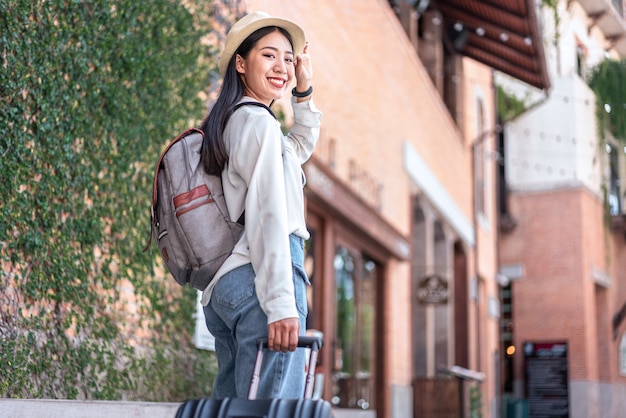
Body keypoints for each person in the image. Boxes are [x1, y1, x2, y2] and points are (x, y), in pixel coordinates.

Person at [198, 11, 322, 400]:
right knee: (273, 409)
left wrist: (303, 90)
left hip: (229, 286)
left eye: (288, 58)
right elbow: (270, 215)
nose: (282, 66)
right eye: (269, 55)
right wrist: (283, 304)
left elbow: (299, 147)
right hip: (262, 279)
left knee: (236, 407)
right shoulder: (258, 124)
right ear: (240, 62)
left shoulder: (238, 122)